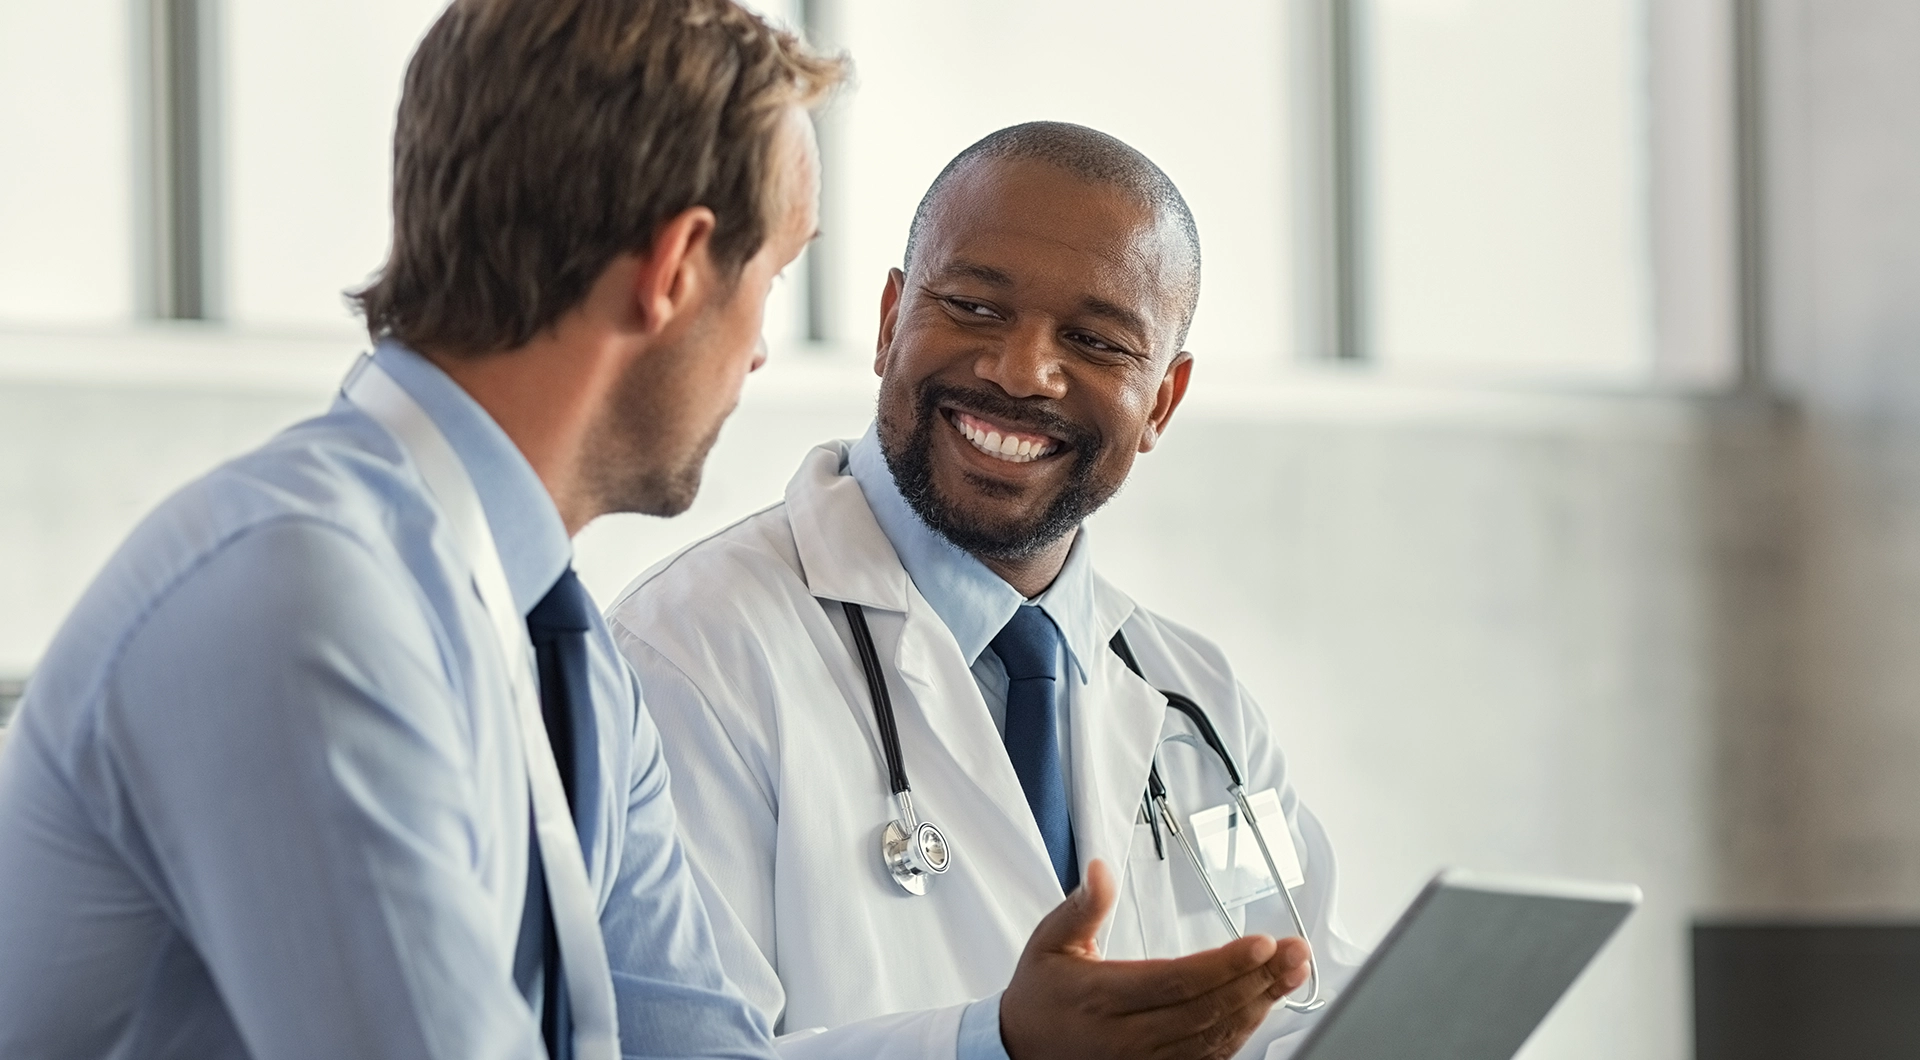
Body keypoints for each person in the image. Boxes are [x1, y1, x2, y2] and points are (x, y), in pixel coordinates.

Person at [0, 1, 837, 1057]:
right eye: (774, 277)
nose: (762, 349)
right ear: (677, 267)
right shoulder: (302, 598)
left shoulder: (569, 662)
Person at [604, 122, 1365, 1060]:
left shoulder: (1198, 706)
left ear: (1162, 401)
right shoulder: (690, 653)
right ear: (890, 323)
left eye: (1094, 340)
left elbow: (1300, 999)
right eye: (973, 307)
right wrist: (991, 1047)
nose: (1021, 372)